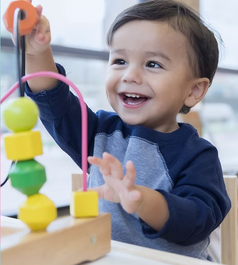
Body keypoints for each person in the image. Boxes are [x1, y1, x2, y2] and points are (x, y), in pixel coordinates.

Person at [22, 0, 231, 260]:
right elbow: (54, 100)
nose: (130, 75)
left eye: (153, 64)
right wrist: (35, 53)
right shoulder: (98, 132)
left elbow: (198, 219)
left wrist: (142, 201)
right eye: (120, 60)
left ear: (193, 90)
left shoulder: (198, 155)